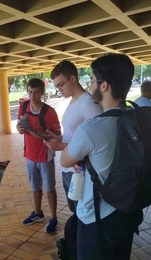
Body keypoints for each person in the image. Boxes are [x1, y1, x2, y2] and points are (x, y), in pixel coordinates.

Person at [60, 53, 143, 259]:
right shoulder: (138, 119)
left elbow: (65, 160)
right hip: (128, 210)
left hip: (96, 217)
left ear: (104, 85)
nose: (90, 85)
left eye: (93, 80)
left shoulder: (91, 129)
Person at [46, 60, 103, 213]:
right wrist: (60, 139)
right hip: (69, 169)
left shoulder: (89, 103)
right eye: (56, 86)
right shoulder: (73, 101)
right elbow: (76, 135)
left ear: (73, 79)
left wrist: (61, 146)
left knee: (83, 214)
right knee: (75, 211)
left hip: (81, 172)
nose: (59, 89)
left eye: (61, 84)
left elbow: (97, 143)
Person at [16, 78, 61, 234]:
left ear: (42, 92)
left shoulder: (49, 112)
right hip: (29, 154)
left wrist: (40, 134)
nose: (32, 96)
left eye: (35, 92)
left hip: (45, 156)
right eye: (29, 92)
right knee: (34, 186)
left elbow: (57, 135)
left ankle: (54, 217)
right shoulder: (23, 106)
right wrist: (20, 129)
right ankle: (38, 213)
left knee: (49, 188)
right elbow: (19, 124)